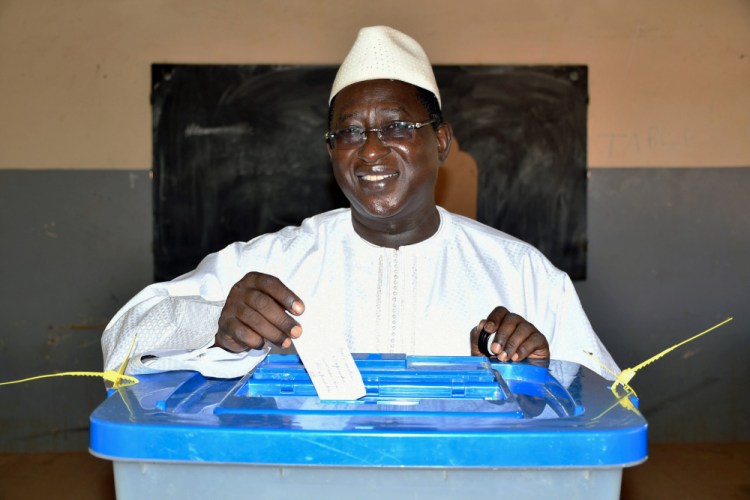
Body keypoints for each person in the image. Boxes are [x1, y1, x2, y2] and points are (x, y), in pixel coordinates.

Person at [102, 26, 619, 380]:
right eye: (348, 132)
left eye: (396, 127)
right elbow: (121, 346)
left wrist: (544, 376)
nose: (370, 150)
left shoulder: (521, 272)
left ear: (440, 140)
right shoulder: (276, 264)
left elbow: (607, 403)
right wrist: (214, 321)